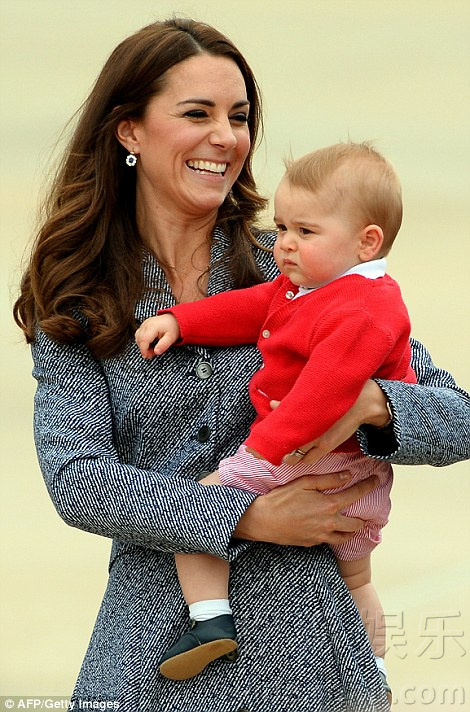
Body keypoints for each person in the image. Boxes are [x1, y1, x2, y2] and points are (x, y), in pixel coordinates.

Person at [13, 17, 469, 712]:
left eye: (239, 116)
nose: (225, 138)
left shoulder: (302, 260)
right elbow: (77, 479)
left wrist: (373, 405)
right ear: (129, 130)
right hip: (149, 664)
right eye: (197, 114)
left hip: (312, 661)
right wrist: (246, 516)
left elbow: (458, 417)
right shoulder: (83, 294)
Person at [135, 142, 416, 695]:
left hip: (312, 463)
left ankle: (209, 619)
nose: (284, 243)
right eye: (282, 226)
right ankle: (372, 668)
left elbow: (320, 396)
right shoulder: (316, 285)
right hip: (354, 482)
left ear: (367, 241)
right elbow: (252, 307)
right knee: (358, 584)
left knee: (198, 507)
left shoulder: (360, 309)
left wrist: (259, 452)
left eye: (305, 232)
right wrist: (182, 320)